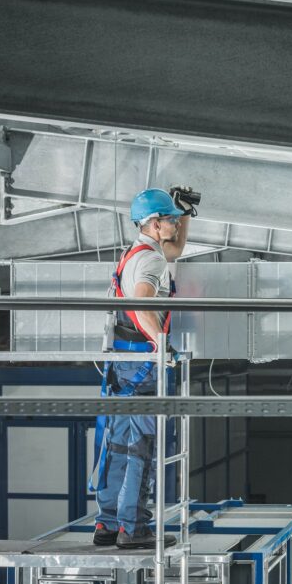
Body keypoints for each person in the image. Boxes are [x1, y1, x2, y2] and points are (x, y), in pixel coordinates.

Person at [91, 187, 195, 548]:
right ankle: (133, 529)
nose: (175, 223)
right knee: (140, 444)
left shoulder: (141, 250)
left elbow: (177, 248)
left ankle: (107, 523)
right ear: (154, 224)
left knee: (118, 440)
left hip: (122, 357)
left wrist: (187, 213)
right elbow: (139, 304)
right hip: (141, 359)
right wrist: (161, 347)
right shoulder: (149, 261)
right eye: (170, 218)